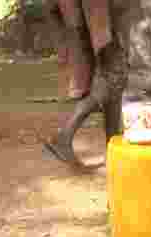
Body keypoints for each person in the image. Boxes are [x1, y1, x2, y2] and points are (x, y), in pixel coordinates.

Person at [44, 0, 128, 168]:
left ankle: (113, 149)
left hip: (84, 18)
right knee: (114, 74)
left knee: (111, 78)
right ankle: (64, 136)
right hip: (95, 14)